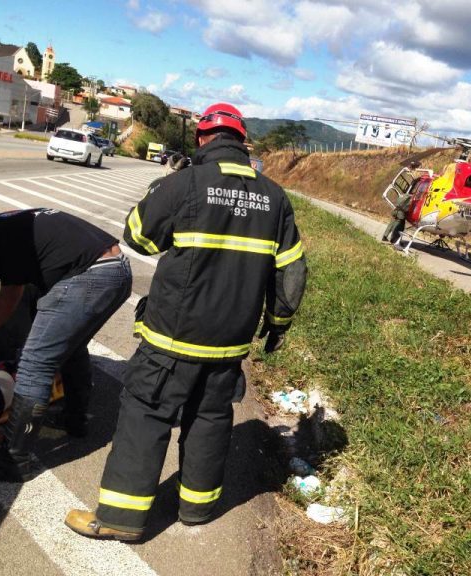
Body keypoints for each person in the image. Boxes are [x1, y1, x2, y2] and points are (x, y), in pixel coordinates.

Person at [65, 102, 307, 541]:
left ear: (201, 139)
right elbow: (291, 270)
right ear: (242, 140)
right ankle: (196, 509)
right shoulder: (275, 197)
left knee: (146, 412)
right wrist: (278, 322)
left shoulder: (185, 184)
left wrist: (165, 185)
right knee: (211, 418)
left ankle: (121, 517)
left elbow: (136, 236)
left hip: (173, 338)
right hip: (230, 342)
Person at [0, 205, 132, 482]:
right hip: (117, 270)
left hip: (90, 276)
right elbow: (8, 299)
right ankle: (75, 419)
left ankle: (12, 459)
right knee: (72, 348)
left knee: (34, 363)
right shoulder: (6, 226)